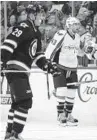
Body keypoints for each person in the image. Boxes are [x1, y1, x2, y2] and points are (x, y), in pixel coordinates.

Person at [1, 6, 60, 140]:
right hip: (15, 69)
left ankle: (9, 134)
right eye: (40, 14)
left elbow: (37, 56)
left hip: (22, 71)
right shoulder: (24, 26)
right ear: (32, 15)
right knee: (25, 102)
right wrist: (2, 62)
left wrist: (48, 66)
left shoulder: (36, 32)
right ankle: (15, 135)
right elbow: (7, 44)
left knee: (17, 103)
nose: (43, 17)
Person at [45, 17, 82, 126]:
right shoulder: (61, 34)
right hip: (60, 66)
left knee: (71, 92)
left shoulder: (78, 37)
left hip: (73, 68)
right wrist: (47, 62)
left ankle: (68, 114)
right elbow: (51, 48)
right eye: (75, 24)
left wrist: (89, 50)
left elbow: (77, 52)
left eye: (78, 24)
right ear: (68, 25)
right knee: (61, 90)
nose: (77, 26)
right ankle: (60, 114)